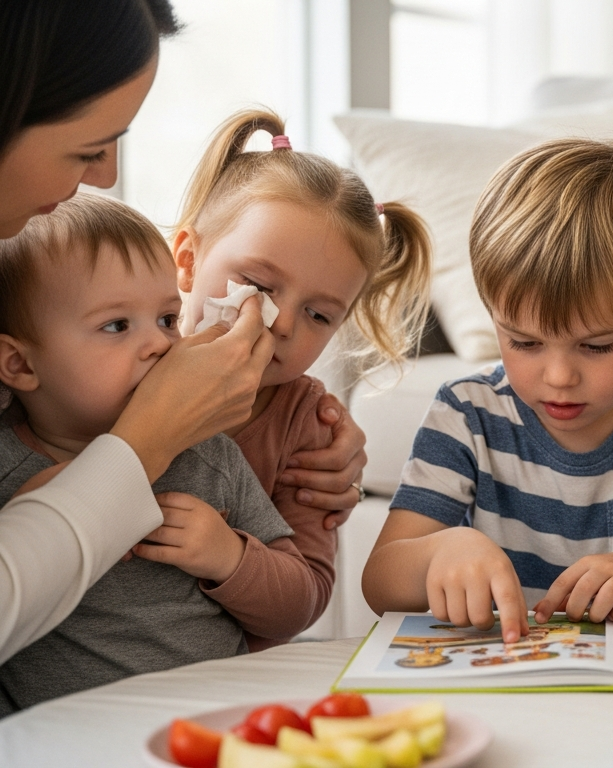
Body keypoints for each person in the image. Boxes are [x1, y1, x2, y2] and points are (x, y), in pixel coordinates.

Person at [0, 0, 366, 664]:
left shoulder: (230, 452)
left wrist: (235, 547)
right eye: (87, 148)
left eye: (320, 313)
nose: (105, 178)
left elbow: (300, 591)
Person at [362, 138, 613, 643]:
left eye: (595, 347)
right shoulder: (467, 413)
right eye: (524, 341)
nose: (559, 377)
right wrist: (441, 551)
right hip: (498, 674)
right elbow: (379, 583)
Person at [0, 193, 313, 712]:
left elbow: (295, 609)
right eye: (117, 326)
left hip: (214, 724)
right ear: (19, 365)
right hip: (61, 742)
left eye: (168, 320)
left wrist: (229, 557)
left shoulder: (207, 455)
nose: (161, 346)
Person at [171, 109, 433, 649]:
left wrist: (230, 557)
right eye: (258, 284)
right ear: (188, 260)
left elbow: (304, 601)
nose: (283, 324)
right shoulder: (111, 363)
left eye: (319, 315)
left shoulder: (306, 427)